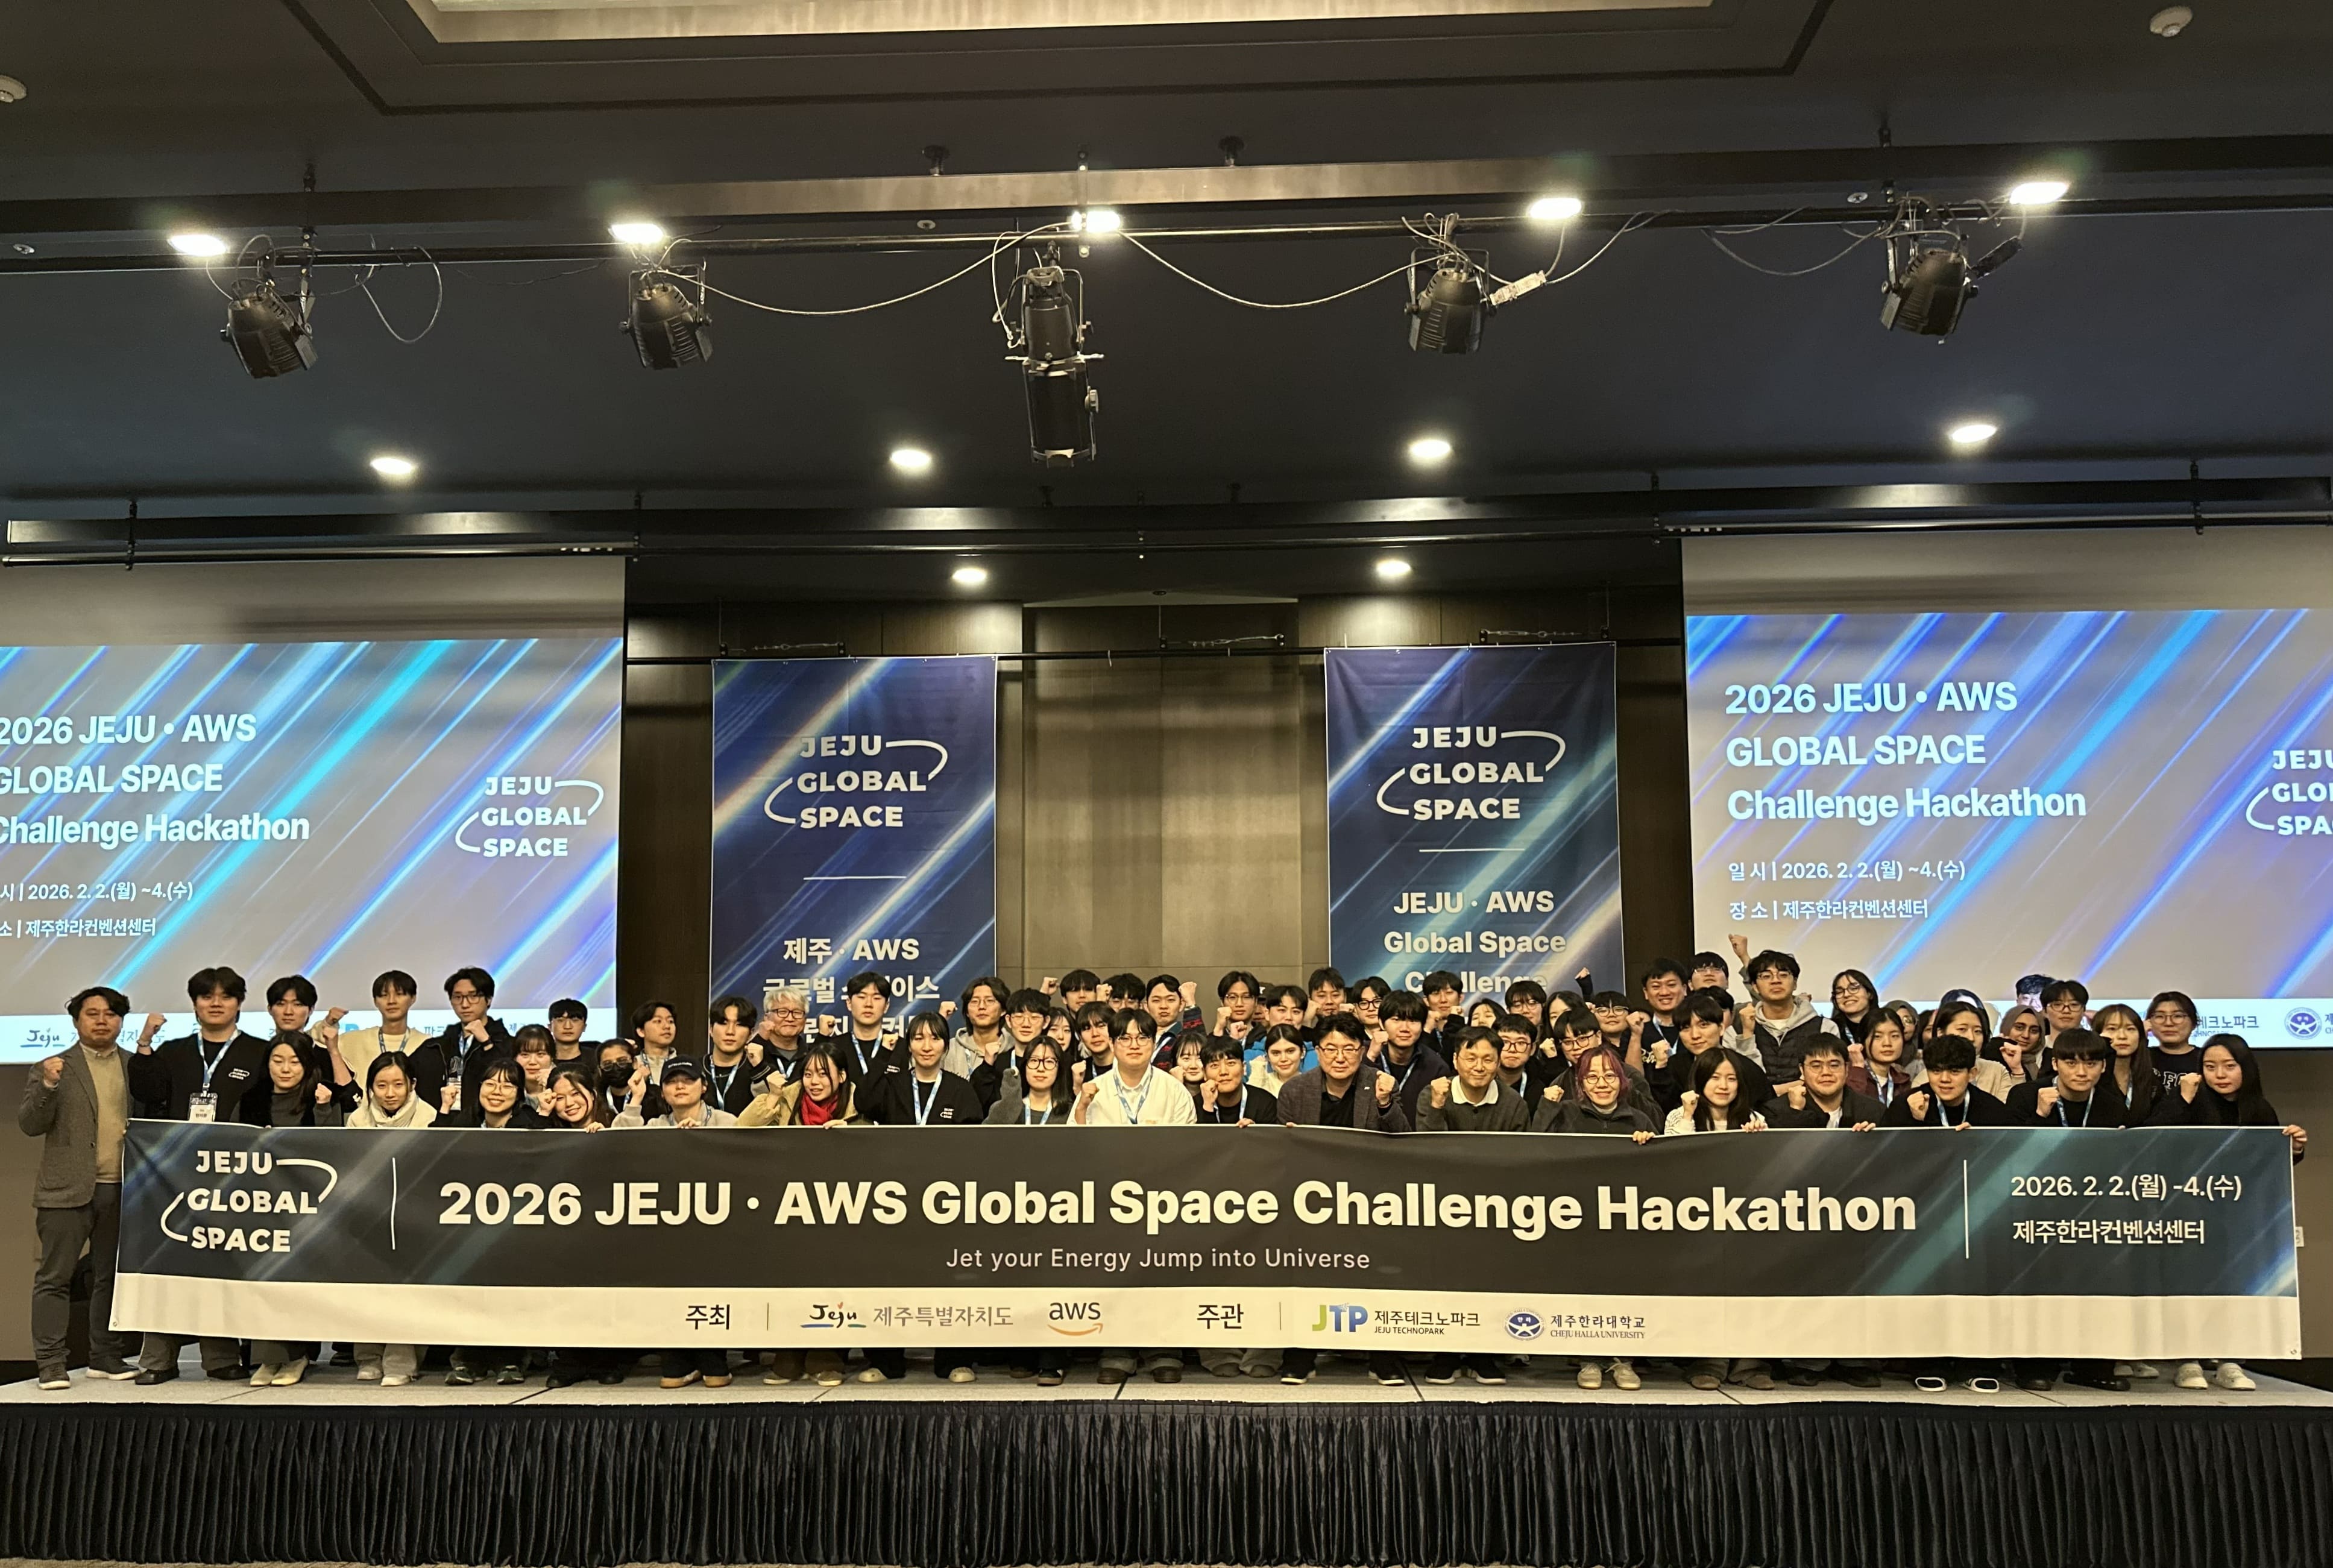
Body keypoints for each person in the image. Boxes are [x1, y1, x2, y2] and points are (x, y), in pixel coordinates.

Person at [124, 966, 267, 1384]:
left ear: (239, 1003)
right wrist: (145, 1045)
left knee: (218, 1264)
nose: (216, 1003)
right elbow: (147, 1096)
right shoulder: (173, 1051)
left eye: (226, 996)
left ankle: (221, 1357)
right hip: (172, 1173)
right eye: (207, 996)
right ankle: (157, 1359)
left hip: (233, 1177)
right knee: (165, 1262)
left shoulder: (259, 1052)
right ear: (195, 1004)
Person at [2159, 1033, 2305, 1391]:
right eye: (2210, 1067)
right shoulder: (2189, 1103)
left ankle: (2229, 1361)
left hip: (2239, 1217)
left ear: (2246, 1069)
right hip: (2190, 1211)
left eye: (2229, 1066)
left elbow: (2269, 1167)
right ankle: (2188, 1360)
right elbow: (2158, 1141)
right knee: (2190, 1285)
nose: (2220, 1074)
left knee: (2235, 1288)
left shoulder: (2260, 1110)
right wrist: (2182, 1098)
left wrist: (2294, 1149)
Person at [21, 986, 142, 1390]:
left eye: (111, 1014)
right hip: (65, 1191)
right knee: (54, 1278)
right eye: (92, 1013)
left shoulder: (135, 1066)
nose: (102, 1021)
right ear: (76, 1021)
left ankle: (105, 1355)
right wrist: (47, 1086)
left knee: (110, 1278)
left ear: (121, 1021)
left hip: (121, 1187)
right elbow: (30, 1124)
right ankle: (51, 1363)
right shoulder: (53, 1066)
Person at [1072, 1011, 1196, 1385]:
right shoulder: (1094, 1090)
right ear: (1112, 1044)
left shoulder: (1173, 1090)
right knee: (1114, 1274)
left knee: (1163, 1274)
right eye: (1125, 1038)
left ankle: (1164, 1351)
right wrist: (1082, 1108)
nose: (1134, 1045)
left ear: (1153, 1044)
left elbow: (1191, 1150)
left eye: (1142, 1038)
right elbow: (1072, 1149)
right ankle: (1118, 1350)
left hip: (1162, 1201)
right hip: (1109, 1203)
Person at [1531, 1044, 1652, 1391]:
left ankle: (1623, 1360)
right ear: (1581, 1083)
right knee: (1583, 1289)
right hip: (1575, 1222)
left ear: (1623, 1081)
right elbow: (1533, 1149)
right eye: (1592, 1077)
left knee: (1623, 1288)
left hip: (1624, 1224)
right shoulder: (1565, 1113)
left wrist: (1648, 1145)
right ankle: (1589, 1359)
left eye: (1610, 1076)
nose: (1602, 1084)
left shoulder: (1639, 1119)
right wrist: (1547, 1106)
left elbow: (1658, 1170)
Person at [342, 1053, 432, 1386]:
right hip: (368, 1213)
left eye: (398, 1084)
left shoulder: (430, 1117)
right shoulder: (357, 1120)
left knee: (406, 1290)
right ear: (370, 1088)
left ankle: (401, 1361)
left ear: (412, 1085)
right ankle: (368, 1357)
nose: (390, 1093)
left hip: (415, 1216)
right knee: (365, 1287)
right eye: (381, 1085)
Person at [408, 967, 514, 1118]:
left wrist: (486, 1043)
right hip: (443, 1120)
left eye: (473, 996)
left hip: (486, 1122)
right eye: (457, 997)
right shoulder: (436, 1046)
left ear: (489, 999)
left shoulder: (507, 1044)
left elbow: (509, 1079)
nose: (465, 1004)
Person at [868, 1012, 983, 1131]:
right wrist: (883, 1054)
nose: (927, 1047)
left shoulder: (961, 1089)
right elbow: (864, 1103)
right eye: (919, 1039)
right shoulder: (892, 1085)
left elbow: (973, 1136)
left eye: (935, 1039)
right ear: (909, 1046)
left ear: (945, 1046)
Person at [1734, 945, 1830, 1084]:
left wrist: (1775, 1091)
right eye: (1766, 976)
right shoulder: (1737, 1029)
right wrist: (1747, 1035)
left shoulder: (1825, 1027)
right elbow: (1742, 1080)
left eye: (1784, 975)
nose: (1776, 981)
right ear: (1755, 986)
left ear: (1795, 983)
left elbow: (1827, 1077)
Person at [1883, 1035, 2013, 1127]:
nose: (1945, 1079)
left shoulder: (1993, 1111)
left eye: (1954, 1071)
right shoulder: (1904, 1106)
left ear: (1972, 1074)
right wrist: (1918, 1121)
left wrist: (1975, 1139)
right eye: (1936, 1071)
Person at [1419, 1027, 1528, 1133]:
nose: (1479, 1068)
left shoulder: (1514, 1102)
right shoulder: (1432, 1095)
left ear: (1499, 1063)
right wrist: (1437, 1106)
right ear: (1455, 1060)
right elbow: (1428, 1144)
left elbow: (1521, 1145)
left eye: (1488, 1060)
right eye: (1471, 1059)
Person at [1766, 1036, 1883, 1130]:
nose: (1826, 1073)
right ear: (1802, 1070)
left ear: (1847, 1069)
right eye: (1816, 1066)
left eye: (1834, 1065)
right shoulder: (1775, 1111)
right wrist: (1795, 1113)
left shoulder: (1874, 1111)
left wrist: (1869, 1140)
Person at [333, 970, 426, 1084]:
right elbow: (319, 1040)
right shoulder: (353, 1041)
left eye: (399, 994)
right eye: (384, 995)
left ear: (413, 998)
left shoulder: (426, 1043)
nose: (391, 1001)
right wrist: (328, 1023)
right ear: (375, 1002)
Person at [1371, 990, 1449, 1123]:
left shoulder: (1436, 1067)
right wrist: (1371, 1057)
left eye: (1413, 1021)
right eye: (1396, 1020)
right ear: (1381, 1023)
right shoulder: (1366, 1055)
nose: (1405, 1028)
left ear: (1423, 1025)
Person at [969, 988, 1053, 1110]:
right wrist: (987, 1066)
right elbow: (978, 1105)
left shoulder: (1056, 1063)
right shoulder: (997, 1064)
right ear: (1009, 1020)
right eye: (1019, 1017)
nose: (1026, 1024)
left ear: (1046, 1022)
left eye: (1034, 1018)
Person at [1664, 1047, 1770, 1136]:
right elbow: (1676, 1152)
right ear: (1700, 1079)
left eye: (1731, 1079)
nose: (1723, 1086)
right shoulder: (1679, 1116)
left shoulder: (1754, 1119)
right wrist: (1688, 1116)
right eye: (1715, 1077)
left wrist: (1757, 1137)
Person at [614, 1056, 736, 1130]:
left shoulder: (726, 1122)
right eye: (671, 1082)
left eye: (688, 1080)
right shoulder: (657, 1127)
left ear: (704, 1086)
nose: (680, 1086)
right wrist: (637, 1097)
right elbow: (621, 1144)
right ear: (662, 1092)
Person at [2092, 1003, 2162, 1123]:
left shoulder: (2151, 1079)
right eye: (2112, 1029)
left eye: (2130, 1029)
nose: (2122, 1036)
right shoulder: (2088, 1077)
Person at [986, 1037, 1076, 1126]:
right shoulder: (1004, 1109)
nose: (1041, 1068)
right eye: (1034, 1060)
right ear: (1025, 1066)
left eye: (1049, 1062)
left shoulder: (1071, 1113)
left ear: (1059, 1069)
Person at [702, 995, 766, 1117]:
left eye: (739, 1024)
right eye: (723, 1023)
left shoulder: (762, 1071)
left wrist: (759, 1069)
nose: (730, 1031)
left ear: (751, 1034)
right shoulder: (695, 1070)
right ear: (711, 1029)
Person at [834, 971, 898, 1083]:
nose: (868, 1004)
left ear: (886, 1006)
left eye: (876, 998)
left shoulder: (901, 1046)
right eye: (862, 997)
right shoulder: (834, 1047)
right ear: (849, 1003)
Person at [1847, 1009, 1913, 1113]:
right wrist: (1858, 1069)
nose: (1887, 1043)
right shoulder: (1849, 1075)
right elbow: (1850, 1110)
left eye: (1895, 1036)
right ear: (1862, 1041)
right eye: (1877, 1037)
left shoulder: (1903, 1083)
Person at [452, 1058, 546, 1130]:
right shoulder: (466, 1121)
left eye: (506, 1087)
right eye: (490, 1084)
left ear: (518, 1094)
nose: (496, 1092)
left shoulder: (530, 1128)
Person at [944, 975, 1009, 1077]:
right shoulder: (949, 1049)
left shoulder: (1014, 1047)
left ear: (1003, 1010)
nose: (982, 1007)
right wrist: (941, 1020)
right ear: (967, 1012)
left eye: (990, 1001)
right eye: (975, 1001)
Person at [753, 986, 811, 1082]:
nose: (790, 1019)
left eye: (797, 1013)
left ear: (805, 1020)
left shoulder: (812, 1055)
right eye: (782, 1012)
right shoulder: (755, 1052)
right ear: (767, 1017)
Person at [1245, 1024, 1311, 1095]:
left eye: (1290, 1051)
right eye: (1276, 1053)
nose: (1283, 1059)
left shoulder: (1312, 1084)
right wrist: (1258, 1070)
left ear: (1302, 1052)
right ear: (1268, 1056)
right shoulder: (1262, 1082)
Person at [540, 1066, 606, 1130]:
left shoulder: (612, 1124)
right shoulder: (552, 1130)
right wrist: (545, 1112)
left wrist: (605, 1134)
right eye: (560, 1098)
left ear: (593, 1094)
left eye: (575, 1094)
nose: (569, 1103)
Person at [1828, 969, 1882, 1047]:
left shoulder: (1886, 1023)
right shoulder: (1830, 1029)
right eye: (1839, 992)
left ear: (1869, 993)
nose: (1846, 995)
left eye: (1853, 988)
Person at [512, 1025, 557, 1113]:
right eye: (525, 1055)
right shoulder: (508, 1086)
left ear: (552, 1057)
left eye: (540, 1054)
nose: (532, 1062)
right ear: (515, 1058)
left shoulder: (565, 1084)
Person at [547, 997, 591, 1070]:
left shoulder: (596, 1060)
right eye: (560, 1021)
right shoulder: (540, 1059)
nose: (568, 1027)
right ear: (550, 1027)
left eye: (575, 1020)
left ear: (584, 1027)